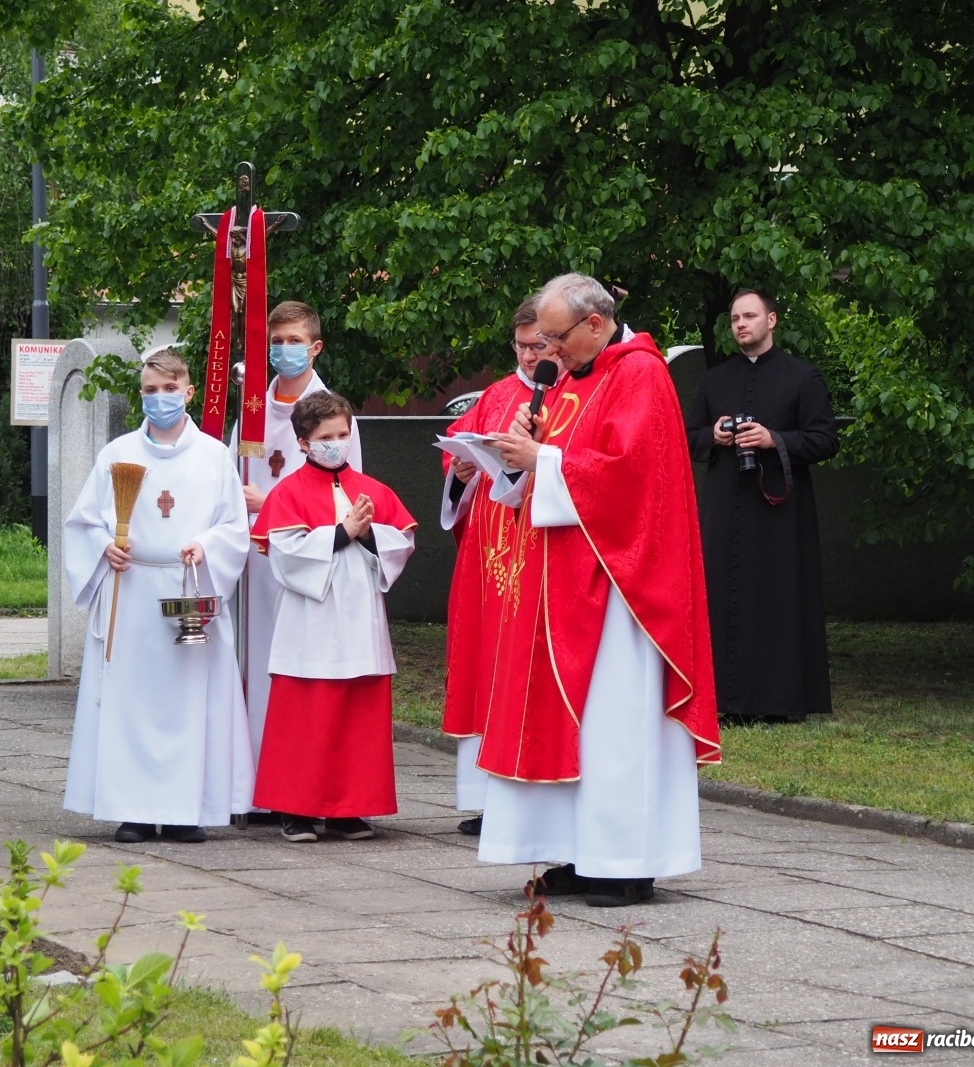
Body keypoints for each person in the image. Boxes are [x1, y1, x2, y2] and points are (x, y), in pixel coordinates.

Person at [480, 273, 720, 907]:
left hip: (621, 585)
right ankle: (581, 853)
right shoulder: (571, 379)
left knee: (616, 722)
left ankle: (626, 861)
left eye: (555, 337)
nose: (547, 350)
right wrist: (521, 454)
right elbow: (552, 467)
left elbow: (631, 477)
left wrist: (542, 460)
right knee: (572, 724)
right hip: (563, 576)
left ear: (594, 323)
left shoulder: (639, 373)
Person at [62, 350, 255, 843]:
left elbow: (234, 527)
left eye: (170, 390)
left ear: (189, 392)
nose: (160, 398)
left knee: (190, 703)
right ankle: (134, 810)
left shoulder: (213, 456)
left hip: (190, 587)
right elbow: (83, 521)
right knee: (131, 703)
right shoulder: (117, 454)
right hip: (132, 589)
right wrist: (104, 546)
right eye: (150, 390)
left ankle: (187, 810)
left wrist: (206, 545)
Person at [249, 392, 416, 843]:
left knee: (357, 716)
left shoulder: (374, 489)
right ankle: (295, 810)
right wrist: (343, 532)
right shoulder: (287, 493)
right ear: (304, 442)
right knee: (304, 717)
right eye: (327, 437)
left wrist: (368, 535)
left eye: (343, 434)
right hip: (311, 620)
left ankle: (348, 809)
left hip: (361, 619)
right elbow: (285, 555)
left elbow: (402, 544)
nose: (337, 443)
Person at [685, 290, 840, 723]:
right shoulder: (715, 380)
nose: (740, 324)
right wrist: (714, 435)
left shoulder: (802, 376)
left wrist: (775, 439)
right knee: (722, 594)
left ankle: (779, 701)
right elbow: (688, 436)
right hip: (724, 505)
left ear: (771, 320)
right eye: (735, 318)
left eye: (750, 316)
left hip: (781, 513)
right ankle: (723, 700)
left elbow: (826, 439)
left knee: (778, 595)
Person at [438, 296, 559, 837]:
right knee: (484, 661)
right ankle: (485, 800)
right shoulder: (495, 396)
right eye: (522, 346)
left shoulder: (570, 395)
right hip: (487, 555)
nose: (531, 356)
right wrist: (461, 471)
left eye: (540, 345)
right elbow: (458, 455)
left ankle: (530, 793)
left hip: (539, 543)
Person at [232, 301, 363, 766]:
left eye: (294, 341)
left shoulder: (333, 416)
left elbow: (347, 494)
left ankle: (294, 768)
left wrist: (270, 504)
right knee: (254, 661)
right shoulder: (252, 408)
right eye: (277, 342)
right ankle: (252, 772)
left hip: (309, 559)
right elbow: (230, 475)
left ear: (315, 347)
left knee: (297, 665)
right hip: (254, 561)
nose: (284, 350)